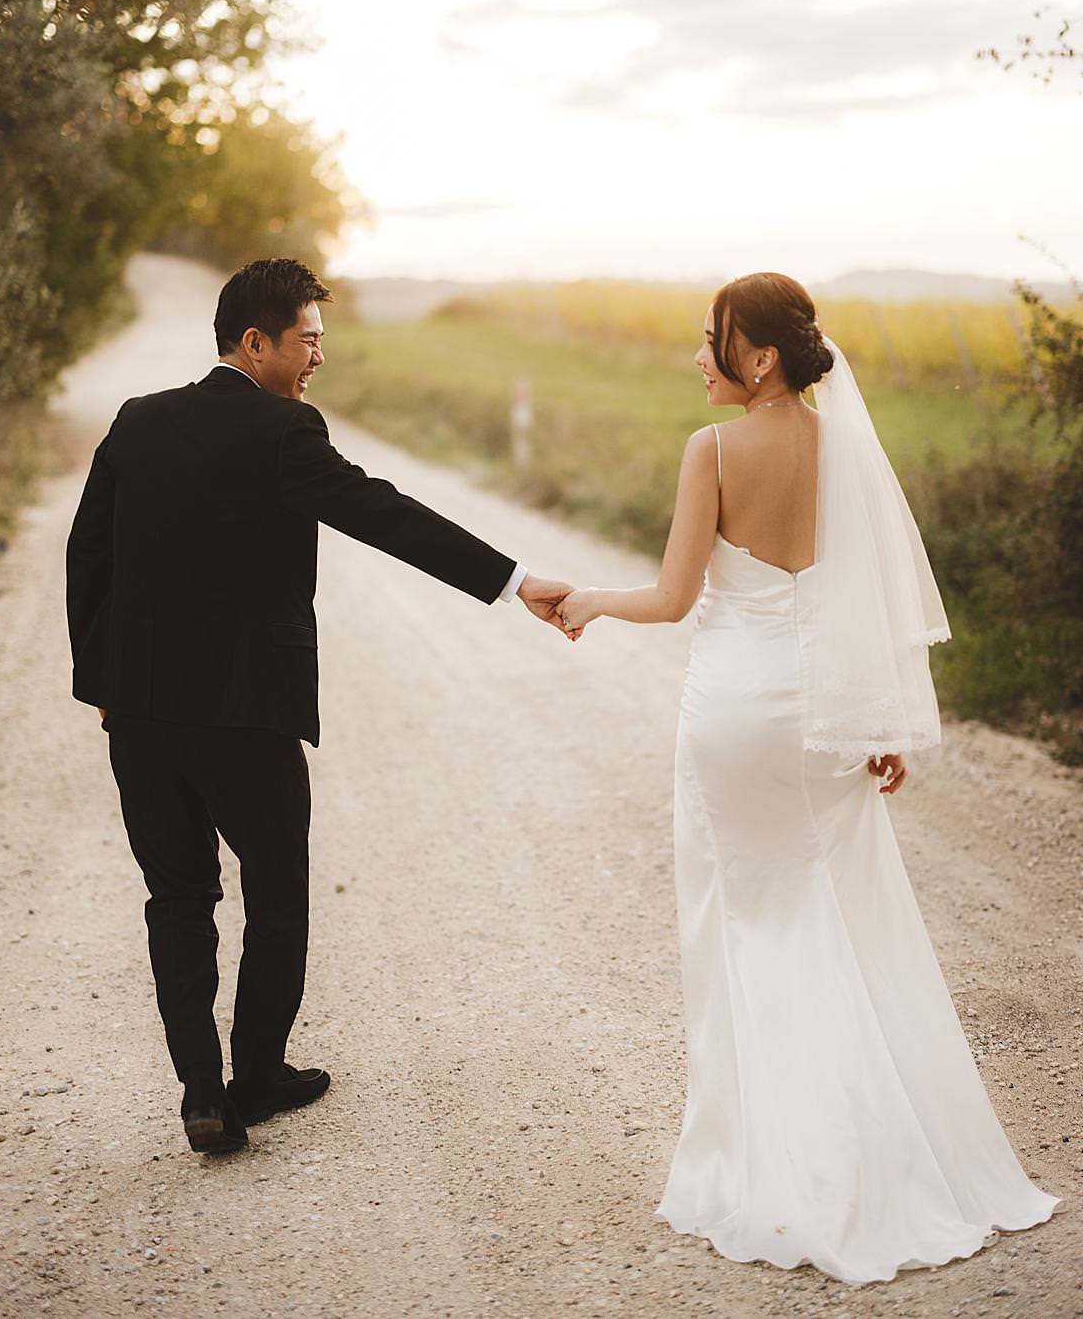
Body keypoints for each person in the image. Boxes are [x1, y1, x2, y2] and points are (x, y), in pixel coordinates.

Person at [556, 270, 1058, 1283]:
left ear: (759, 357)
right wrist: (882, 718)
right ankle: (891, 1151)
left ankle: (781, 1166)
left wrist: (586, 602)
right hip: (826, 715)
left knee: (744, 928)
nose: (697, 356)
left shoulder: (710, 449)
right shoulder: (845, 450)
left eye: (711, 340)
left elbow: (670, 595)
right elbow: (863, 598)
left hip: (736, 714)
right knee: (847, 924)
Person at [65, 257, 576, 1155]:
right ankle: (255, 1075)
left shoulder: (138, 422)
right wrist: (513, 581)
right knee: (277, 893)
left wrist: (102, 688)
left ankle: (200, 1090)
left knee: (176, 899)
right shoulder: (281, 431)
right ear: (254, 341)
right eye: (308, 339)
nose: (318, 359)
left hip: (140, 719)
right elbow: (384, 512)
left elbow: (88, 556)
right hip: (245, 717)